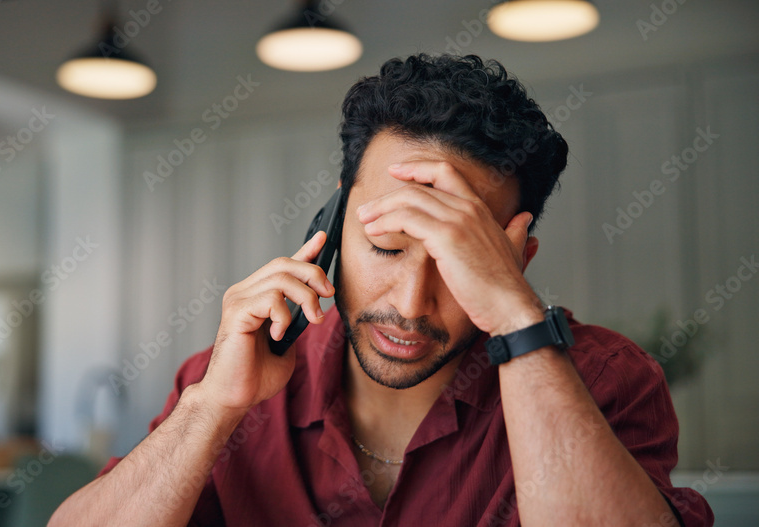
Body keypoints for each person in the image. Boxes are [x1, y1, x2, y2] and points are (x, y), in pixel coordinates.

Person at [48, 54, 714, 526]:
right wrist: (209, 410)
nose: (410, 304)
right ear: (334, 223)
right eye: (387, 246)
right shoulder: (229, 377)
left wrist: (517, 316)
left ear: (515, 260)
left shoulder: (604, 381)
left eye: (457, 261)